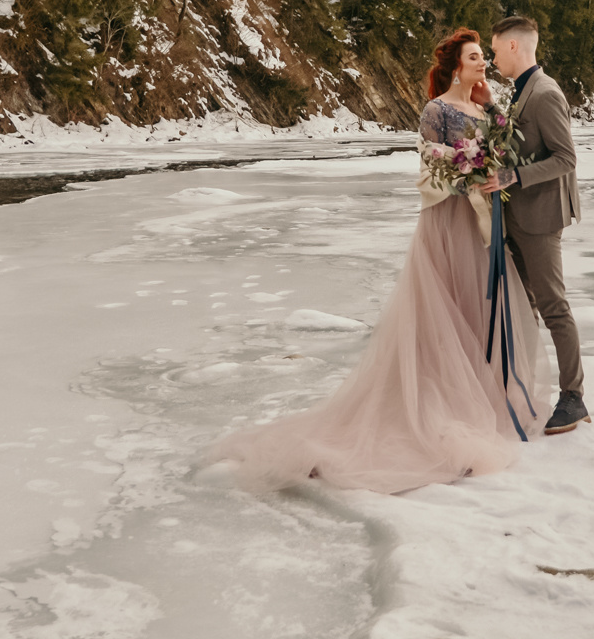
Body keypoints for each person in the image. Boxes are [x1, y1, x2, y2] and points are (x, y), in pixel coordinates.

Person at [207, 29, 546, 494]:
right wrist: (467, 170)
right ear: (455, 67)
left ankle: (483, 395)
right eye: (474, 58)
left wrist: (489, 113)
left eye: (482, 58)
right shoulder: (436, 110)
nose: (482, 64)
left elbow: (506, 145)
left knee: (476, 308)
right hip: (447, 220)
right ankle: (434, 402)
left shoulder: (481, 108)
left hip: (478, 222)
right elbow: (429, 166)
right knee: (442, 313)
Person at [482, 15, 587, 435]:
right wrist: (491, 107)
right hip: (520, 217)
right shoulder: (520, 90)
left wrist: (514, 177)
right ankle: (522, 388)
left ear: (513, 46)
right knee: (522, 308)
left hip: (541, 218)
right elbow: (515, 140)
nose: (492, 58)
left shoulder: (544, 93)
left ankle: (574, 398)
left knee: (553, 307)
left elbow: (566, 157)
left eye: (494, 50)